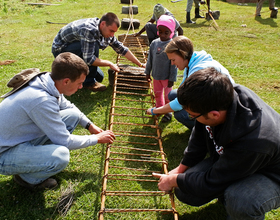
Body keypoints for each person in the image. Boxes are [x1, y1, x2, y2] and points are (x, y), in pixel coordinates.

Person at [153, 67, 280, 219]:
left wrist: (174, 180)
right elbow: (199, 136)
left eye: (192, 116)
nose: (190, 117)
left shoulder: (253, 141)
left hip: (272, 173)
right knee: (185, 189)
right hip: (242, 159)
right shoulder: (218, 98)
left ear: (214, 114)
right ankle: (229, 188)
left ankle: (238, 205)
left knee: (240, 200)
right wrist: (180, 171)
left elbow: (212, 181)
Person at [0, 52, 115, 190]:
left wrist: (89, 125)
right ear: (66, 81)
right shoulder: (41, 100)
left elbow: (68, 106)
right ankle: (26, 179)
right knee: (61, 156)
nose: (80, 87)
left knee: (72, 115)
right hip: (4, 153)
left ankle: (37, 159)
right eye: (79, 83)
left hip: (15, 139)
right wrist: (96, 139)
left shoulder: (47, 82)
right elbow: (65, 141)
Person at [146, 36, 234, 130]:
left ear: (182, 54)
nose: (172, 63)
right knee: (173, 94)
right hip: (212, 98)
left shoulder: (199, 69)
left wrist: (155, 110)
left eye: (173, 60)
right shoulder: (191, 62)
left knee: (180, 114)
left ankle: (205, 130)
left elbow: (180, 102)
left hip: (221, 107)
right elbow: (182, 92)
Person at [52, 12, 144, 92]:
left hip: (75, 49)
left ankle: (78, 74)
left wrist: (140, 64)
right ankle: (89, 83)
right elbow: (89, 59)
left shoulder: (105, 31)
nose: (112, 35)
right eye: (111, 31)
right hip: (61, 51)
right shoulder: (89, 30)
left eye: (114, 32)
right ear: (103, 24)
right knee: (94, 45)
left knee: (100, 77)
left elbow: (122, 49)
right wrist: (109, 63)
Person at [145, 15, 177, 123]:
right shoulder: (154, 43)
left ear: (171, 32)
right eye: (160, 31)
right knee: (157, 94)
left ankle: (168, 112)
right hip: (156, 76)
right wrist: (147, 72)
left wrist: (172, 78)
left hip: (167, 78)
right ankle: (159, 109)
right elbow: (150, 59)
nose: (162, 35)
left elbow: (173, 64)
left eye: (166, 32)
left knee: (168, 96)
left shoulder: (172, 45)